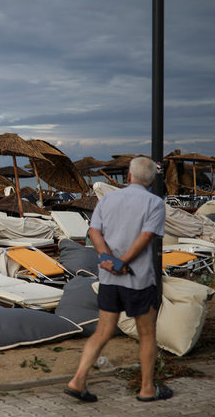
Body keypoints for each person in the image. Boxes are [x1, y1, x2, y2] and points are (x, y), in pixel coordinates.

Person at [64, 156, 173, 403]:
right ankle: (147, 389)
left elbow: (94, 231)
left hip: (109, 278)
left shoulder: (109, 198)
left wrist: (108, 259)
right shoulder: (155, 203)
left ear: (128, 176)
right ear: (152, 180)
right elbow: (146, 237)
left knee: (103, 331)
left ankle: (78, 380)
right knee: (147, 334)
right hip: (139, 280)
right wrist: (122, 262)